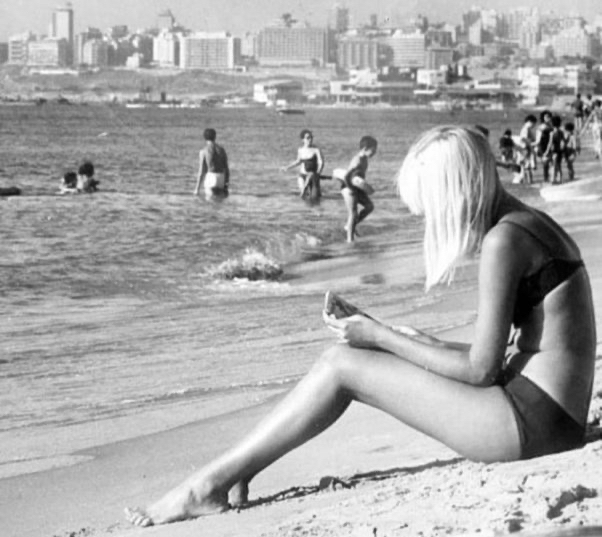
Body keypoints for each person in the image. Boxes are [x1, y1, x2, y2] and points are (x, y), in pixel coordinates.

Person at [125, 125, 595, 527]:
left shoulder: (503, 242)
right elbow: (513, 354)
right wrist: (405, 338)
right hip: (547, 416)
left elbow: (480, 371)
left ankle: (207, 485)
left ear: (453, 192)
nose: (429, 217)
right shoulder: (529, 222)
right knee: (368, 352)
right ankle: (241, 468)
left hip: (531, 427)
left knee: (340, 366)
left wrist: (380, 336)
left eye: (429, 206)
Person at [338, 135, 378, 243]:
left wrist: (364, 188)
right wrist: (351, 189)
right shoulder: (358, 160)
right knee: (353, 213)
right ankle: (350, 239)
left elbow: (359, 178)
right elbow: (347, 176)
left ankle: (349, 226)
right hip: (348, 187)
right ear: (365, 149)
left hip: (356, 187)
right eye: (373, 150)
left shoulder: (365, 159)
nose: (375, 153)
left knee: (369, 206)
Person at [280, 129, 325, 202]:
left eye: (311, 137)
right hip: (303, 174)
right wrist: (287, 167)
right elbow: (298, 161)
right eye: (307, 138)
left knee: (315, 197)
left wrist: (318, 173)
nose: (310, 140)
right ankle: (303, 206)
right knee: (303, 192)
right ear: (303, 140)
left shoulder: (316, 149)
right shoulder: (300, 150)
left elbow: (321, 162)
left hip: (313, 175)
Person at [194, 128, 230, 200]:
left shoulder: (204, 151)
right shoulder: (221, 150)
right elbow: (226, 169)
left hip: (211, 176)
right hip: (221, 177)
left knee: (209, 203)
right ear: (215, 137)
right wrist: (226, 184)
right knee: (219, 202)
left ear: (204, 137)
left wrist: (197, 189)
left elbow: (202, 171)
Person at [515, 115, 537, 184]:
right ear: (530, 122)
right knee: (526, 166)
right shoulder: (526, 129)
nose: (534, 126)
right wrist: (531, 146)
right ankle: (528, 181)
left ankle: (526, 181)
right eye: (533, 124)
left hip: (524, 149)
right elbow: (524, 139)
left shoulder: (526, 129)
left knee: (524, 166)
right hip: (525, 149)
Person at [535, 110, 553, 183]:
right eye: (546, 117)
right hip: (543, 146)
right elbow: (538, 139)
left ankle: (549, 178)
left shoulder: (549, 126)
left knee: (549, 164)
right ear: (543, 118)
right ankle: (547, 178)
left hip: (548, 145)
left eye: (549, 117)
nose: (548, 118)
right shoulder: (543, 127)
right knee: (546, 164)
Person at [547, 115, 566, 185]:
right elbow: (563, 141)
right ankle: (560, 179)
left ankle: (553, 179)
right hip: (560, 151)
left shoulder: (552, 133)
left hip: (554, 151)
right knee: (559, 165)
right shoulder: (561, 132)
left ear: (552, 123)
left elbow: (550, 143)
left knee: (553, 165)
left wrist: (546, 152)